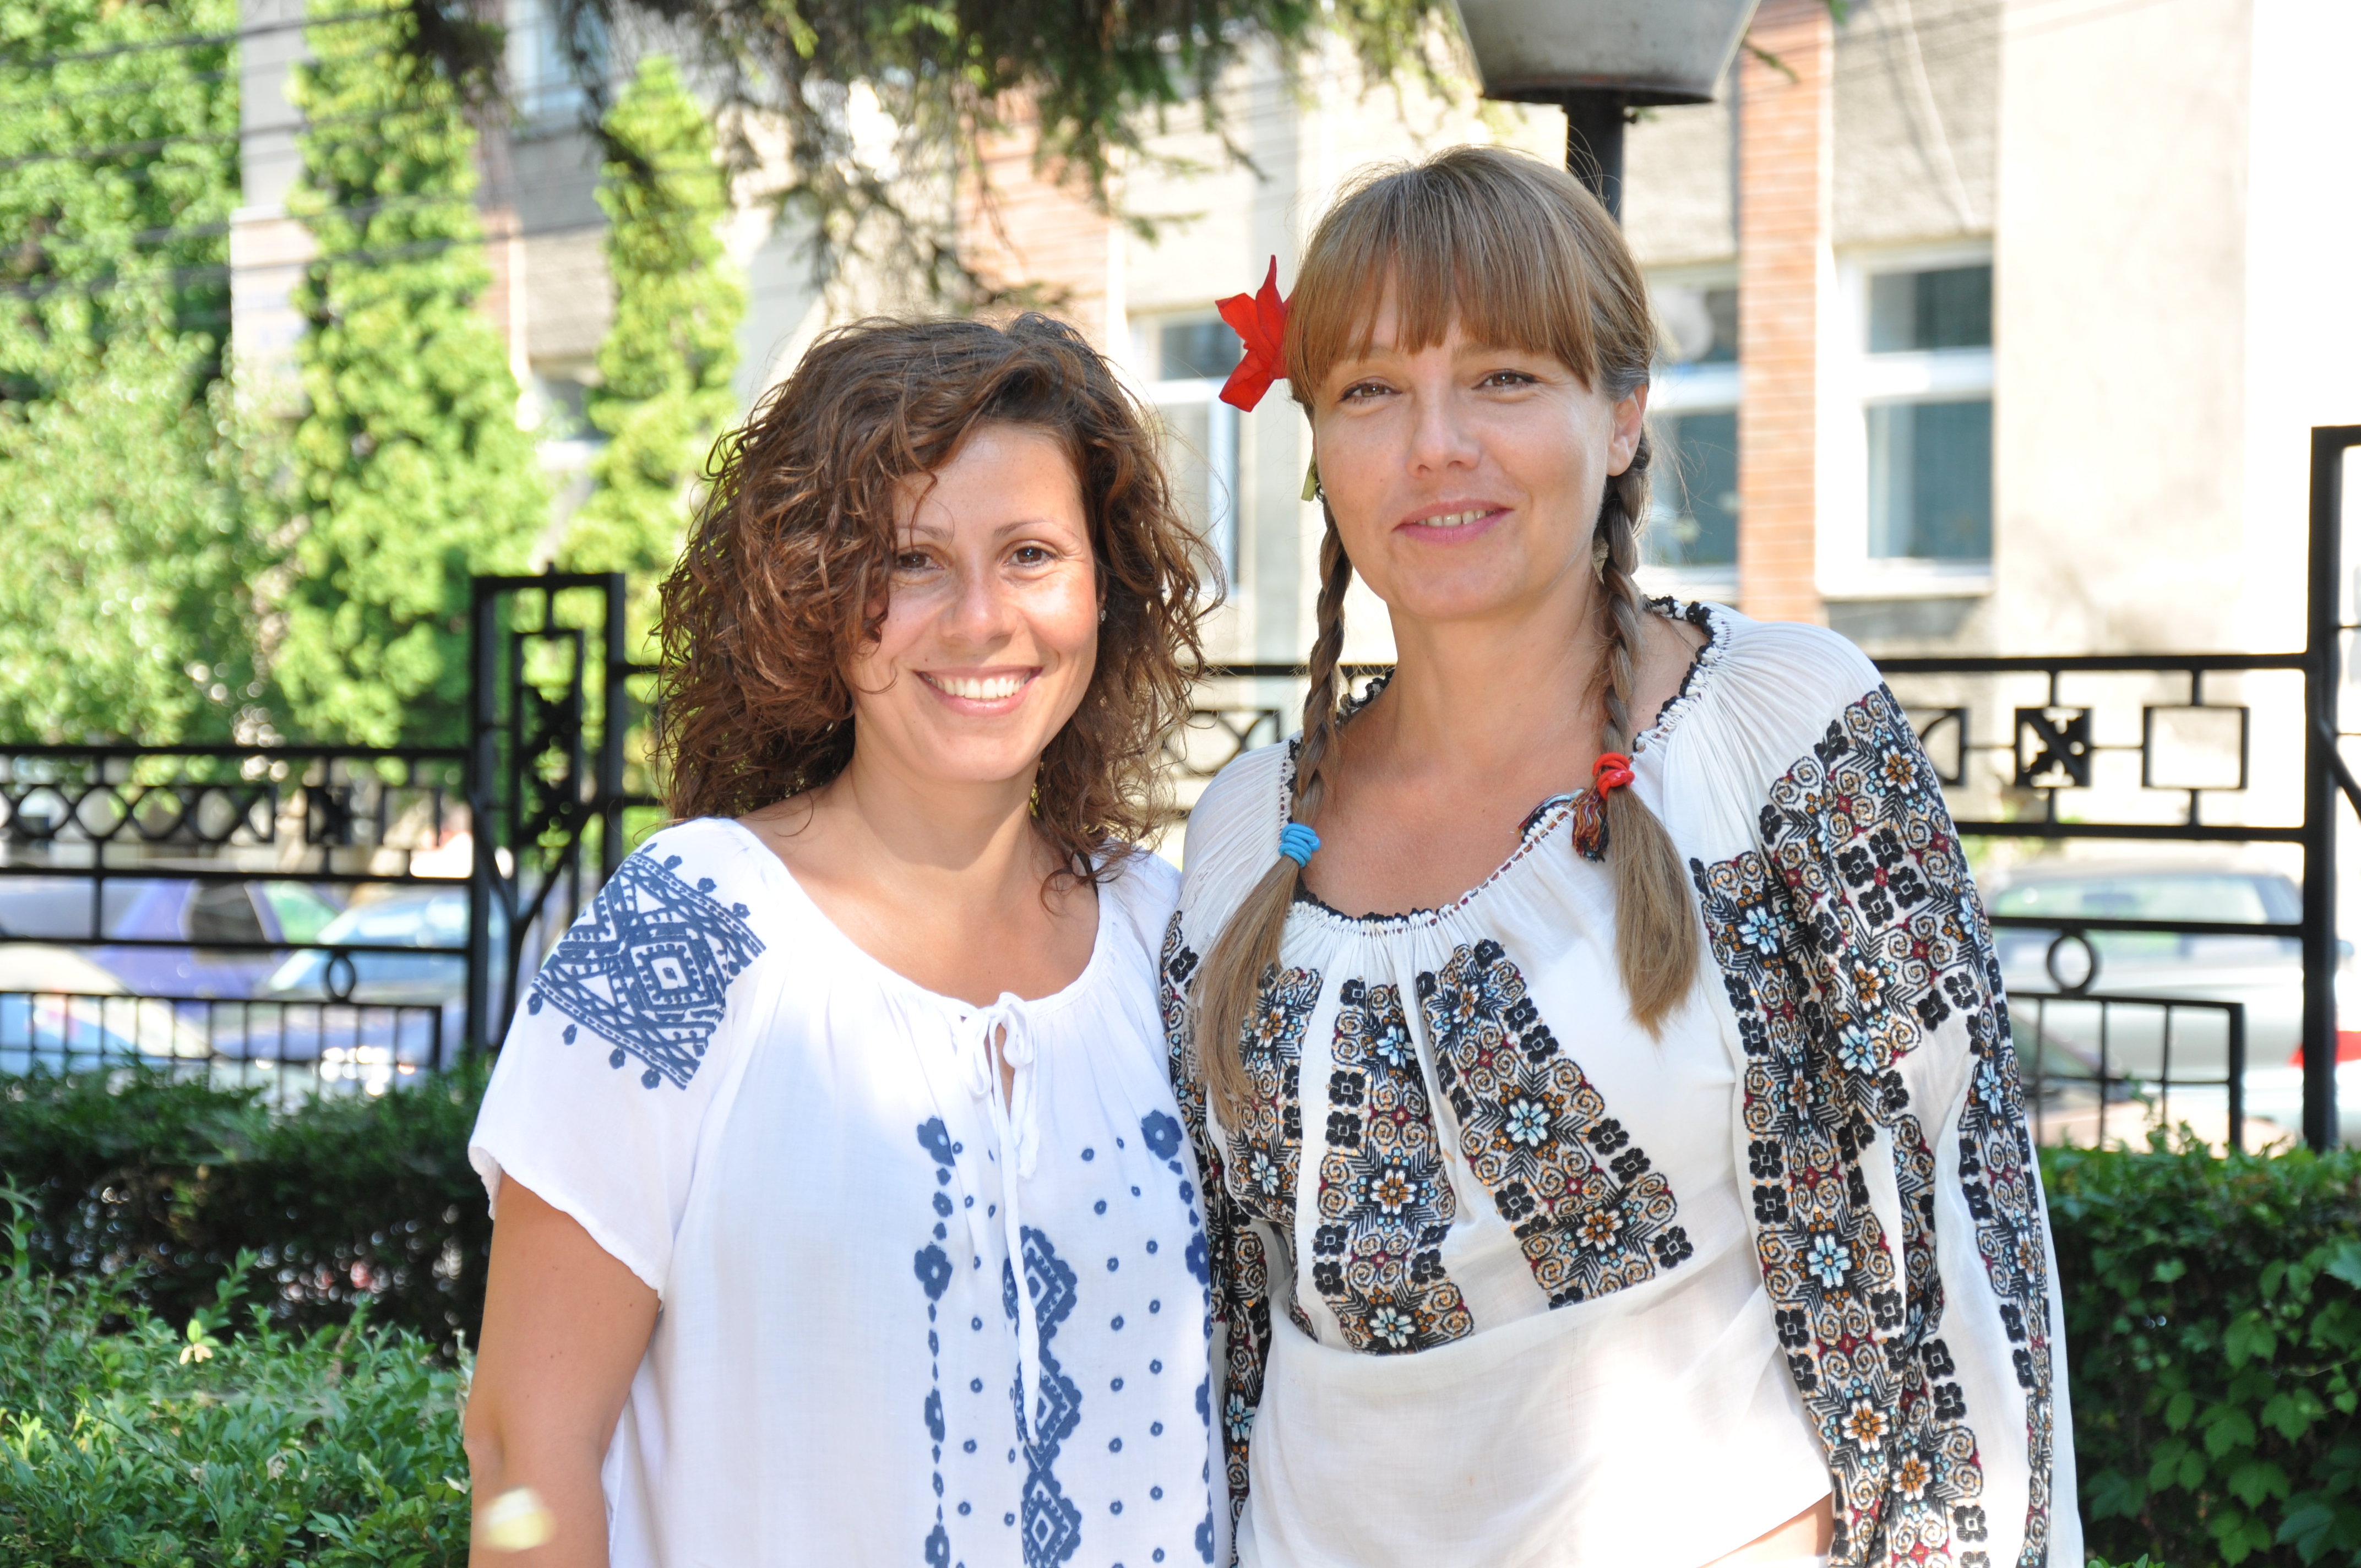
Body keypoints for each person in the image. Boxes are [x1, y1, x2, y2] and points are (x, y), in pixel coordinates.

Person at [1164, 146, 2079, 1568]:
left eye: (1504, 378)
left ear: (1624, 414)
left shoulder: (1775, 738)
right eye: (1372, 391)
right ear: (1319, 445)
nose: (1436, 445)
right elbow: (1222, 1320)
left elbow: (1961, 1245)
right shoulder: (1242, 836)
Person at [464, 314, 1223, 1567]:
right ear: (814, 592)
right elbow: (522, 1448)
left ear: (1104, 588)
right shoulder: (687, 922)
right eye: (911, 561)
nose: (980, 617)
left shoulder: (1167, 935)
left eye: (1031, 553)